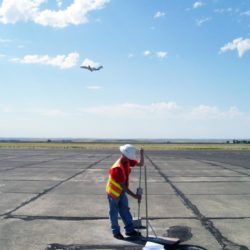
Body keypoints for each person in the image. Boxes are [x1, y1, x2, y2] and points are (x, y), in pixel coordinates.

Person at [106, 144, 144, 239]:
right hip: (113, 193)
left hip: (121, 192)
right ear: (125, 155)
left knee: (125, 210)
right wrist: (135, 196)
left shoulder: (127, 161)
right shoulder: (117, 168)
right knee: (113, 213)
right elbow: (124, 187)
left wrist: (141, 155)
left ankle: (130, 230)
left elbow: (141, 164)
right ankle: (116, 232)